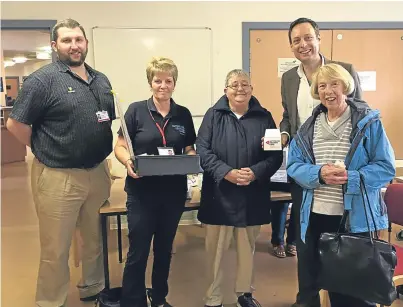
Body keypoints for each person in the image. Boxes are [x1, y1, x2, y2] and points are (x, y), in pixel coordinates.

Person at [6, 19, 115, 306]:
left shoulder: (101, 79)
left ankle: (93, 288)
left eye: (78, 39)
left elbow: (106, 120)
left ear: (86, 43)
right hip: (57, 176)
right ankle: (51, 300)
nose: (74, 45)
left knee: (94, 240)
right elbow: (15, 123)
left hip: (97, 172)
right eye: (66, 40)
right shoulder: (42, 80)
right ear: (55, 46)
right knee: (56, 247)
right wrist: (43, 146)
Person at [287, 63, 395, 307]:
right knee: (310, 287)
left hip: (352, 220)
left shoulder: (368, 123)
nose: (328, 91)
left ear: (345, 86)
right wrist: (319, 174)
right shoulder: (308, 127)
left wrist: (353, 177)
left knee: (351, 292)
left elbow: (385, 167)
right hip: (312, 218)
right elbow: (294, 166)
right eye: (322, 86)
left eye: (334, 84)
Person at [279, 17, 363, 307]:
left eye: (307, 38)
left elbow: (360, 115)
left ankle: (342, 298)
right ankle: (307, 300)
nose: (303, 45)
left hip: (341, 170)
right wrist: (285, 133)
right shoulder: (289, 78)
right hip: (306, 169)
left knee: (343, 243)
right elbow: (289, 117)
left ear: (318, 38)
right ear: (291, 46)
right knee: (307, 242)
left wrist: (350, 170)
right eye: (296, 40)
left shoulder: (345, 70)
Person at [196, 69, 283, 307]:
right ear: (225, 90)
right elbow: (202, 151)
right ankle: (213, 297)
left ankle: (243, 293)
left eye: (245, 84)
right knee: (215, 253)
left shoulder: (265, 117)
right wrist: (227, 173)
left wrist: (255, 172)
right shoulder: (213, 116)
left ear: (252, 89)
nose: (240, 89)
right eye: (234, 84)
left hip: (251, 194)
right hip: (219, 194)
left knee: (247, 250)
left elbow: (274, 155)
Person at [114, 56, 196, 307]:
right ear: (150, 82)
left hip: (172, 194)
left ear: (175, 83)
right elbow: (120, 145)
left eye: (168, 80)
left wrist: (190, 162)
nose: (163, 85)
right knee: (138, 252)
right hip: (142, 193)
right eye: (157, 80)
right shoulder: (136, 110)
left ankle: (159, 298)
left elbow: (190, 148)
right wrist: (128, 163)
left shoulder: (182, 114)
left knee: (164, 250)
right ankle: (132, 301)